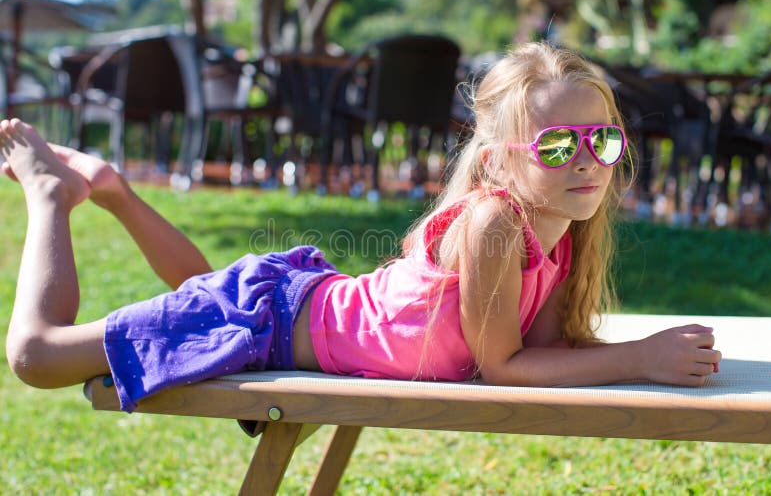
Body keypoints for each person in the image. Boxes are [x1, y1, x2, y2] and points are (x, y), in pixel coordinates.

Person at [2, 42, 721, 413]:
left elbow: (539, 359)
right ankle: (48, 193)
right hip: (272, 318)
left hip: (299, 303)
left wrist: (632, 355)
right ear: (503, 161)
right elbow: (504, 369)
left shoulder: (562, 226)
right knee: (37, 355)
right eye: (559, 146)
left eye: (604, 141)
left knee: (200, 290)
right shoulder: (497, 222)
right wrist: (638, 359)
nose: (588, 161)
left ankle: (117, 193)